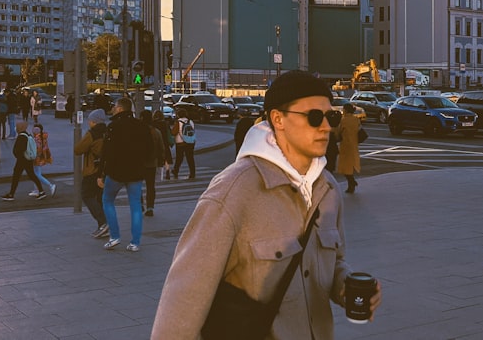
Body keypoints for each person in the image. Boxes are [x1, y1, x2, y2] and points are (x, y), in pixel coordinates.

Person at [151, 70, 381, 339]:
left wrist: (344, 284)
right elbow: (183, 299)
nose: (326, 126)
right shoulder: (234, 190)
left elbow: (335, 260)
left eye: (331, 116)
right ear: (278, 119)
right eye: (314, 117)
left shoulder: (328, 188)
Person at [101, 97, 152, 251]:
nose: (113, 108)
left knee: (107, 200)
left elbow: (107, 152)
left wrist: (102, 173)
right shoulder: (141, 126)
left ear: (121, 109)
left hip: (116, 172)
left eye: (115, 106)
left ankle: (115, 236)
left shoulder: (113, 126)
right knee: (136, 205)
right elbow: (150, 148)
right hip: (136, 172)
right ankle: (135, 242)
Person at [74, 109, 109, 238]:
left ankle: (103, 222)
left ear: (94, 121)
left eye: (90, 120)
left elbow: (78, 149)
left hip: (92, 170)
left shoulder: (92, 134)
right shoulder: (107, 132)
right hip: (104, 170)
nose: (88, 122)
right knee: (100, 199)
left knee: (87, 195)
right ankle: (103, 226)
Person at [1, 121, 47, 201]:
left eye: (17, 126)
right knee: (31, 175)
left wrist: (17, 155)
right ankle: (41, 191)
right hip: (27, 159)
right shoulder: (27, 135)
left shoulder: (21, 137)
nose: (16, 128)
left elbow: (19, 149)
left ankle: (11, 194)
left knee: (17, 176)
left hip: (22, 160)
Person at [140, 110, 165, 217]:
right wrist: (161, 162)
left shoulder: (137, 131)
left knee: (136, 185)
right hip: (152, 163)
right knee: (150, 186)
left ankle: (140, 204)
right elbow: (161, 148)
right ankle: (150, 207)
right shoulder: (156, 131)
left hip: (139, 163)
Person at [336, 103, 362, 193]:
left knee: (344, 167)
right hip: (354, 145)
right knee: (350, 166)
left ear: (346, 110)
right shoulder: (356, 119)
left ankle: (352, 182)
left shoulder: (343, 120)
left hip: (345, 145)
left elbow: (338, 132)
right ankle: (351, 184)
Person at [30, 122, 56, 197]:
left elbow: (37, 149)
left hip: (37, 158)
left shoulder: (37, 138)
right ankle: (36, 189)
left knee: (37, 175)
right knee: (37, 173)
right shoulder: (42, 137)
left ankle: (50, 185)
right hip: (41, 157)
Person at [172, 107, 196, 179]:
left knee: (179, 158)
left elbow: (174, 132)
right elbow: (193, 130)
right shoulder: (190, 121)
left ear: (178, 115)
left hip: (180, 143)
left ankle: (175, 171)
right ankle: (192, 173)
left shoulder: (178, 122)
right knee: (190, 158)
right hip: (190, 142)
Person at [152, 110, 174, 179]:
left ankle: (157, 173)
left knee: (156, 157)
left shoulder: (153, 123)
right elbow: (169, 133)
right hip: (165, 142)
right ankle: (167, 171)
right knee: (166, 158)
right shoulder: (165, 123)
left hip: (156, 142)